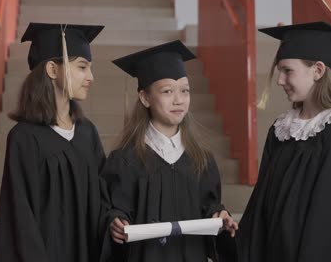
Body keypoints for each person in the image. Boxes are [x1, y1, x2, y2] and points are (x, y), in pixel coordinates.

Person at [237, 21, 331, 262]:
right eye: (279, 71)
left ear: (317, 70)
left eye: (288, 70)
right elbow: (260, 205)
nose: (279, 80)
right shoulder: (281, 129)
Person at [99, 40, 239, 262]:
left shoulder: (201, 160)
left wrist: (219, 215)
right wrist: (115, 221)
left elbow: (209, 205)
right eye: (167, 91)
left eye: (185, 90)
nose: (178, 100)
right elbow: (115, 208)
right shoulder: (125, 160)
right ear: (145, 98)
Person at [0, 23, 106, 262]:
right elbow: (20, 219)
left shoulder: (88, 134)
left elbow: (104, 198)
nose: (91, 77)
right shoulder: (24, 138)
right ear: (53, 70)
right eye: (82, 67)